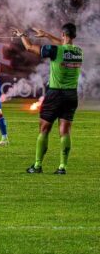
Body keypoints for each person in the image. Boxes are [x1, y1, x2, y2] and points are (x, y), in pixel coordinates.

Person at [17, 24, 83, 174]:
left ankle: (37, 165)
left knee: (44, 129)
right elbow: (64, 45)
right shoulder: (79, 52)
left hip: (55, 94)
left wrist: (22, 35)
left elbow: (29, 48)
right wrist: (47, 35)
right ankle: (62, 167)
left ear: (63, 34)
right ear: (74, 36)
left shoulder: (55, 50)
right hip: (71, 95)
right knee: (65, 132)